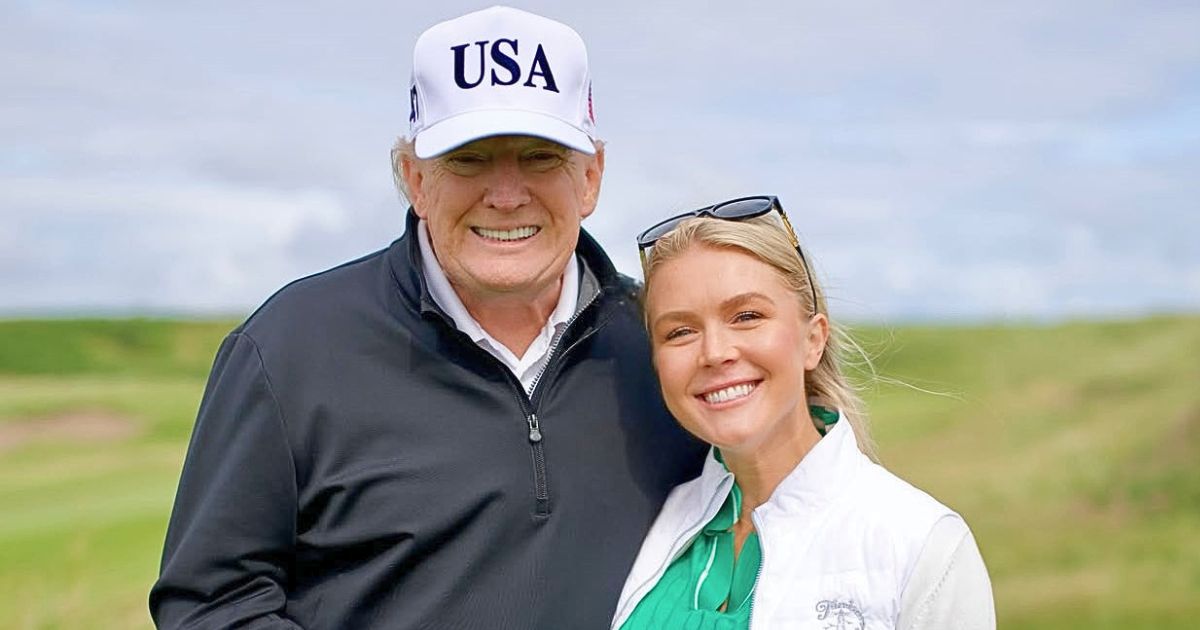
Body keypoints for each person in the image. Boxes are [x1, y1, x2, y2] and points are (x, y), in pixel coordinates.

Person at [149, 7, 704, 629]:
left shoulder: (666, 344)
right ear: (413, 177)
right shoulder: (289, 347)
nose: (506, 194)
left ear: (591, 177)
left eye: (540, 157)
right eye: (468, 159)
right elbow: (212, 602)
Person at [610, 197, 995, 629]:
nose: (715, 353)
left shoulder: (924, 544)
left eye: (747, 316)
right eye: (680, 331)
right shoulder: (652, 524)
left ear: (814, 340)